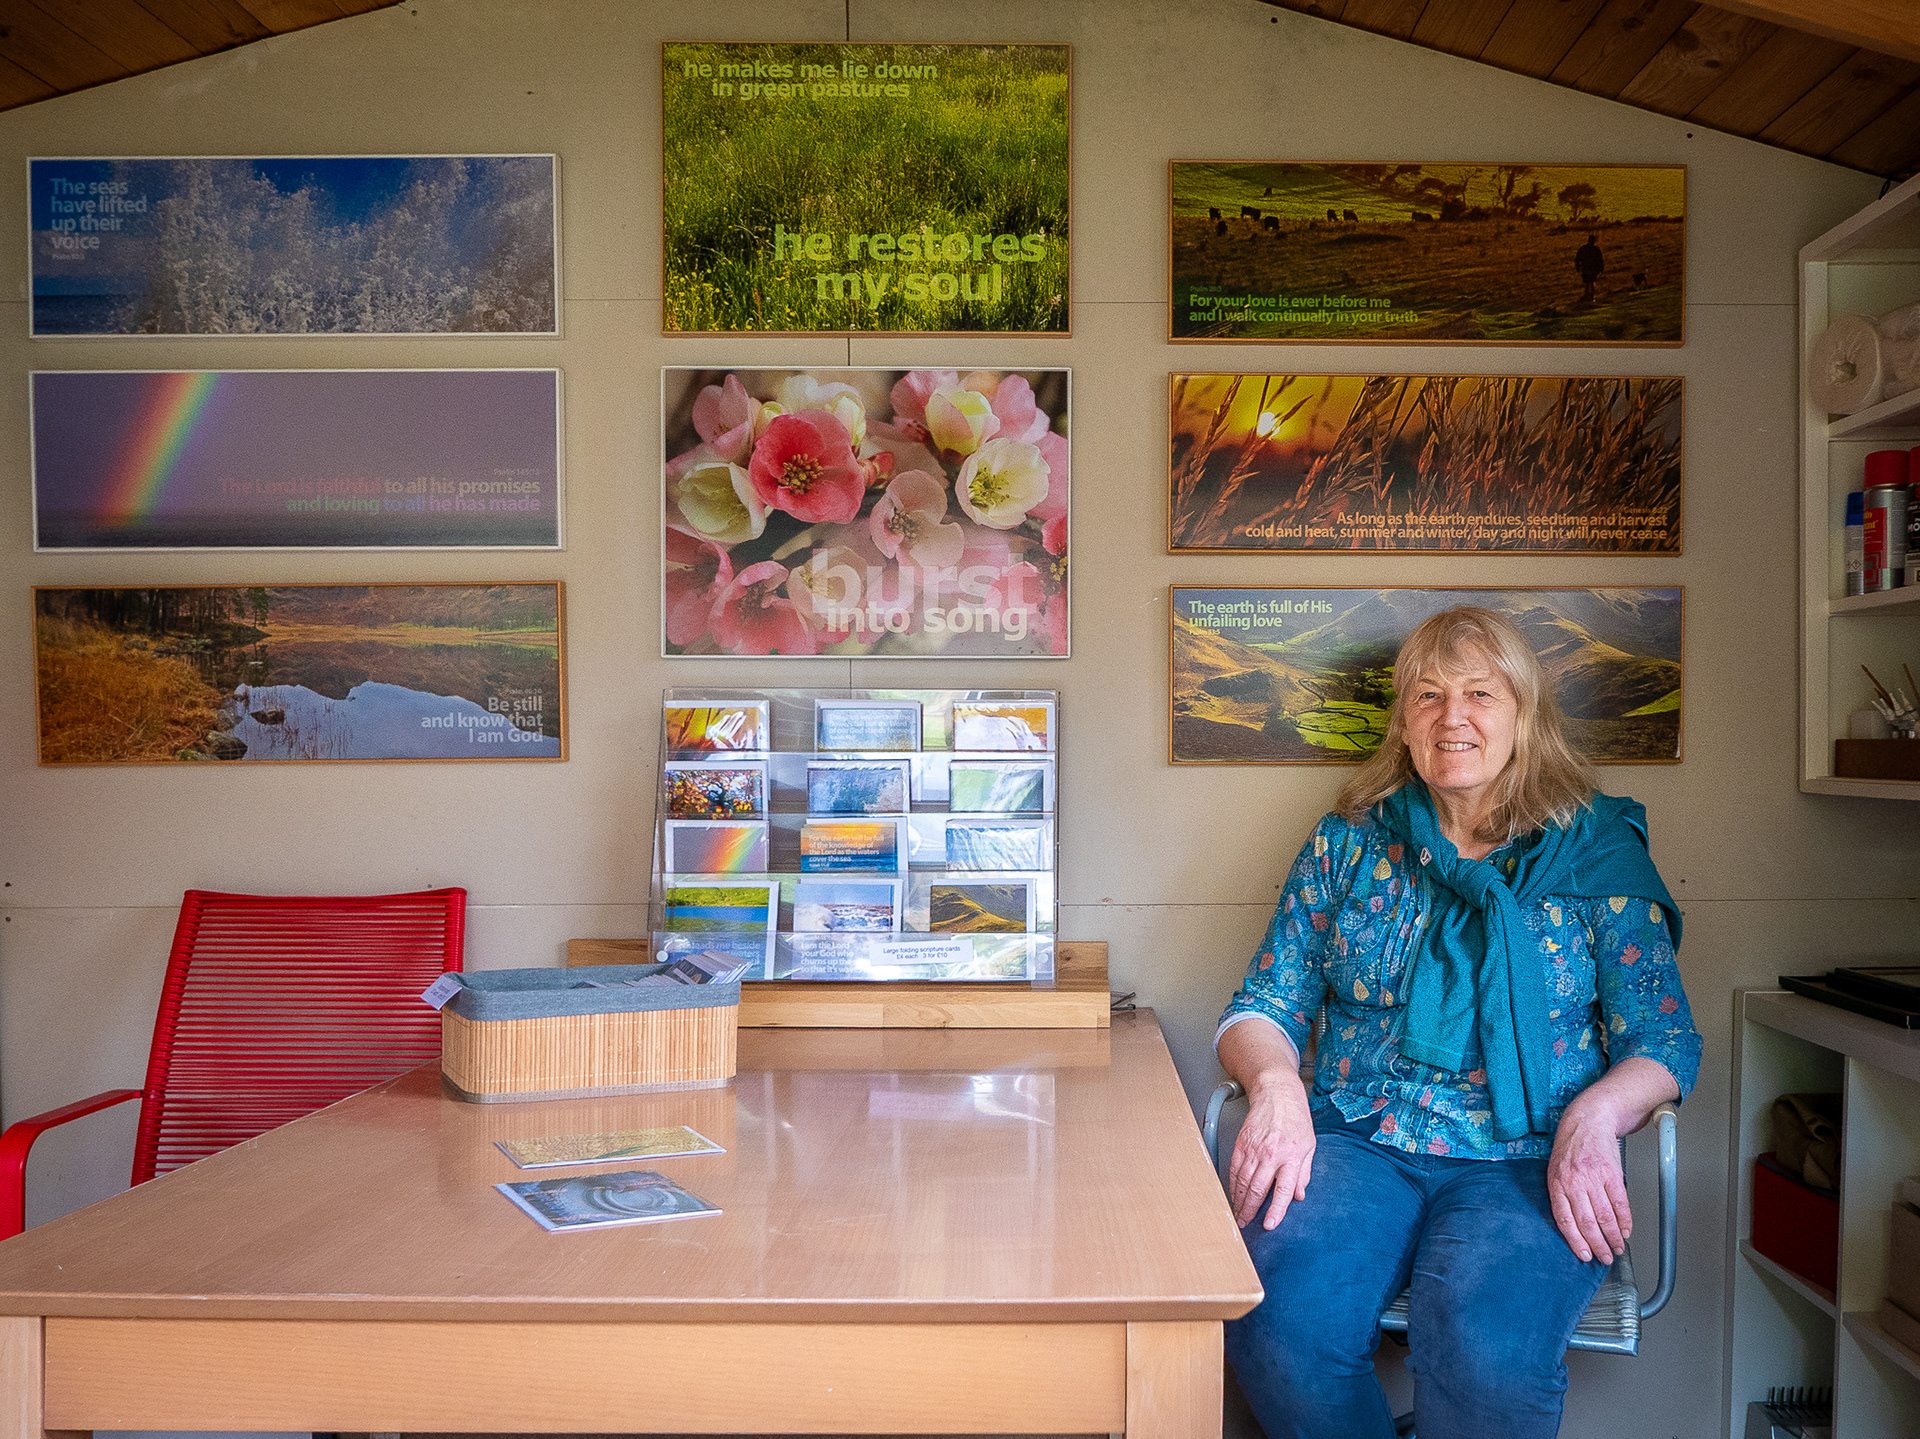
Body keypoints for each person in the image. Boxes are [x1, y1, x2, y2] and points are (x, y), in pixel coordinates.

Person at [1216, 606, 1700, 1439]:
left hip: (1526, 1153)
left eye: (1481, 692)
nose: (1454, 716)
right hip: (1358, 1136)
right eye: (1429, 695)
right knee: (1276, 1320)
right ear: (1404, 722)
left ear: (1524, 715)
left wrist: (1596, 1115)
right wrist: (1275, 1086)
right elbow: (1263, 1004)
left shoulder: (1594, 853)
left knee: (1485, 1349)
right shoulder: (1349, 843)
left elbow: (1662, 1040)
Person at [1574, 233, 1604, 303]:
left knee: (1587, 283)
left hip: (1586, 268)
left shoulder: (1584, 248)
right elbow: (1600, 260)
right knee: (1592, 283)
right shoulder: (1595, 249)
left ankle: (1588, 296)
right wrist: (1601, 268)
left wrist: (1578, 267)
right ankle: (1591, 297)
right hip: (1592, 269)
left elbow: (1577, 258)